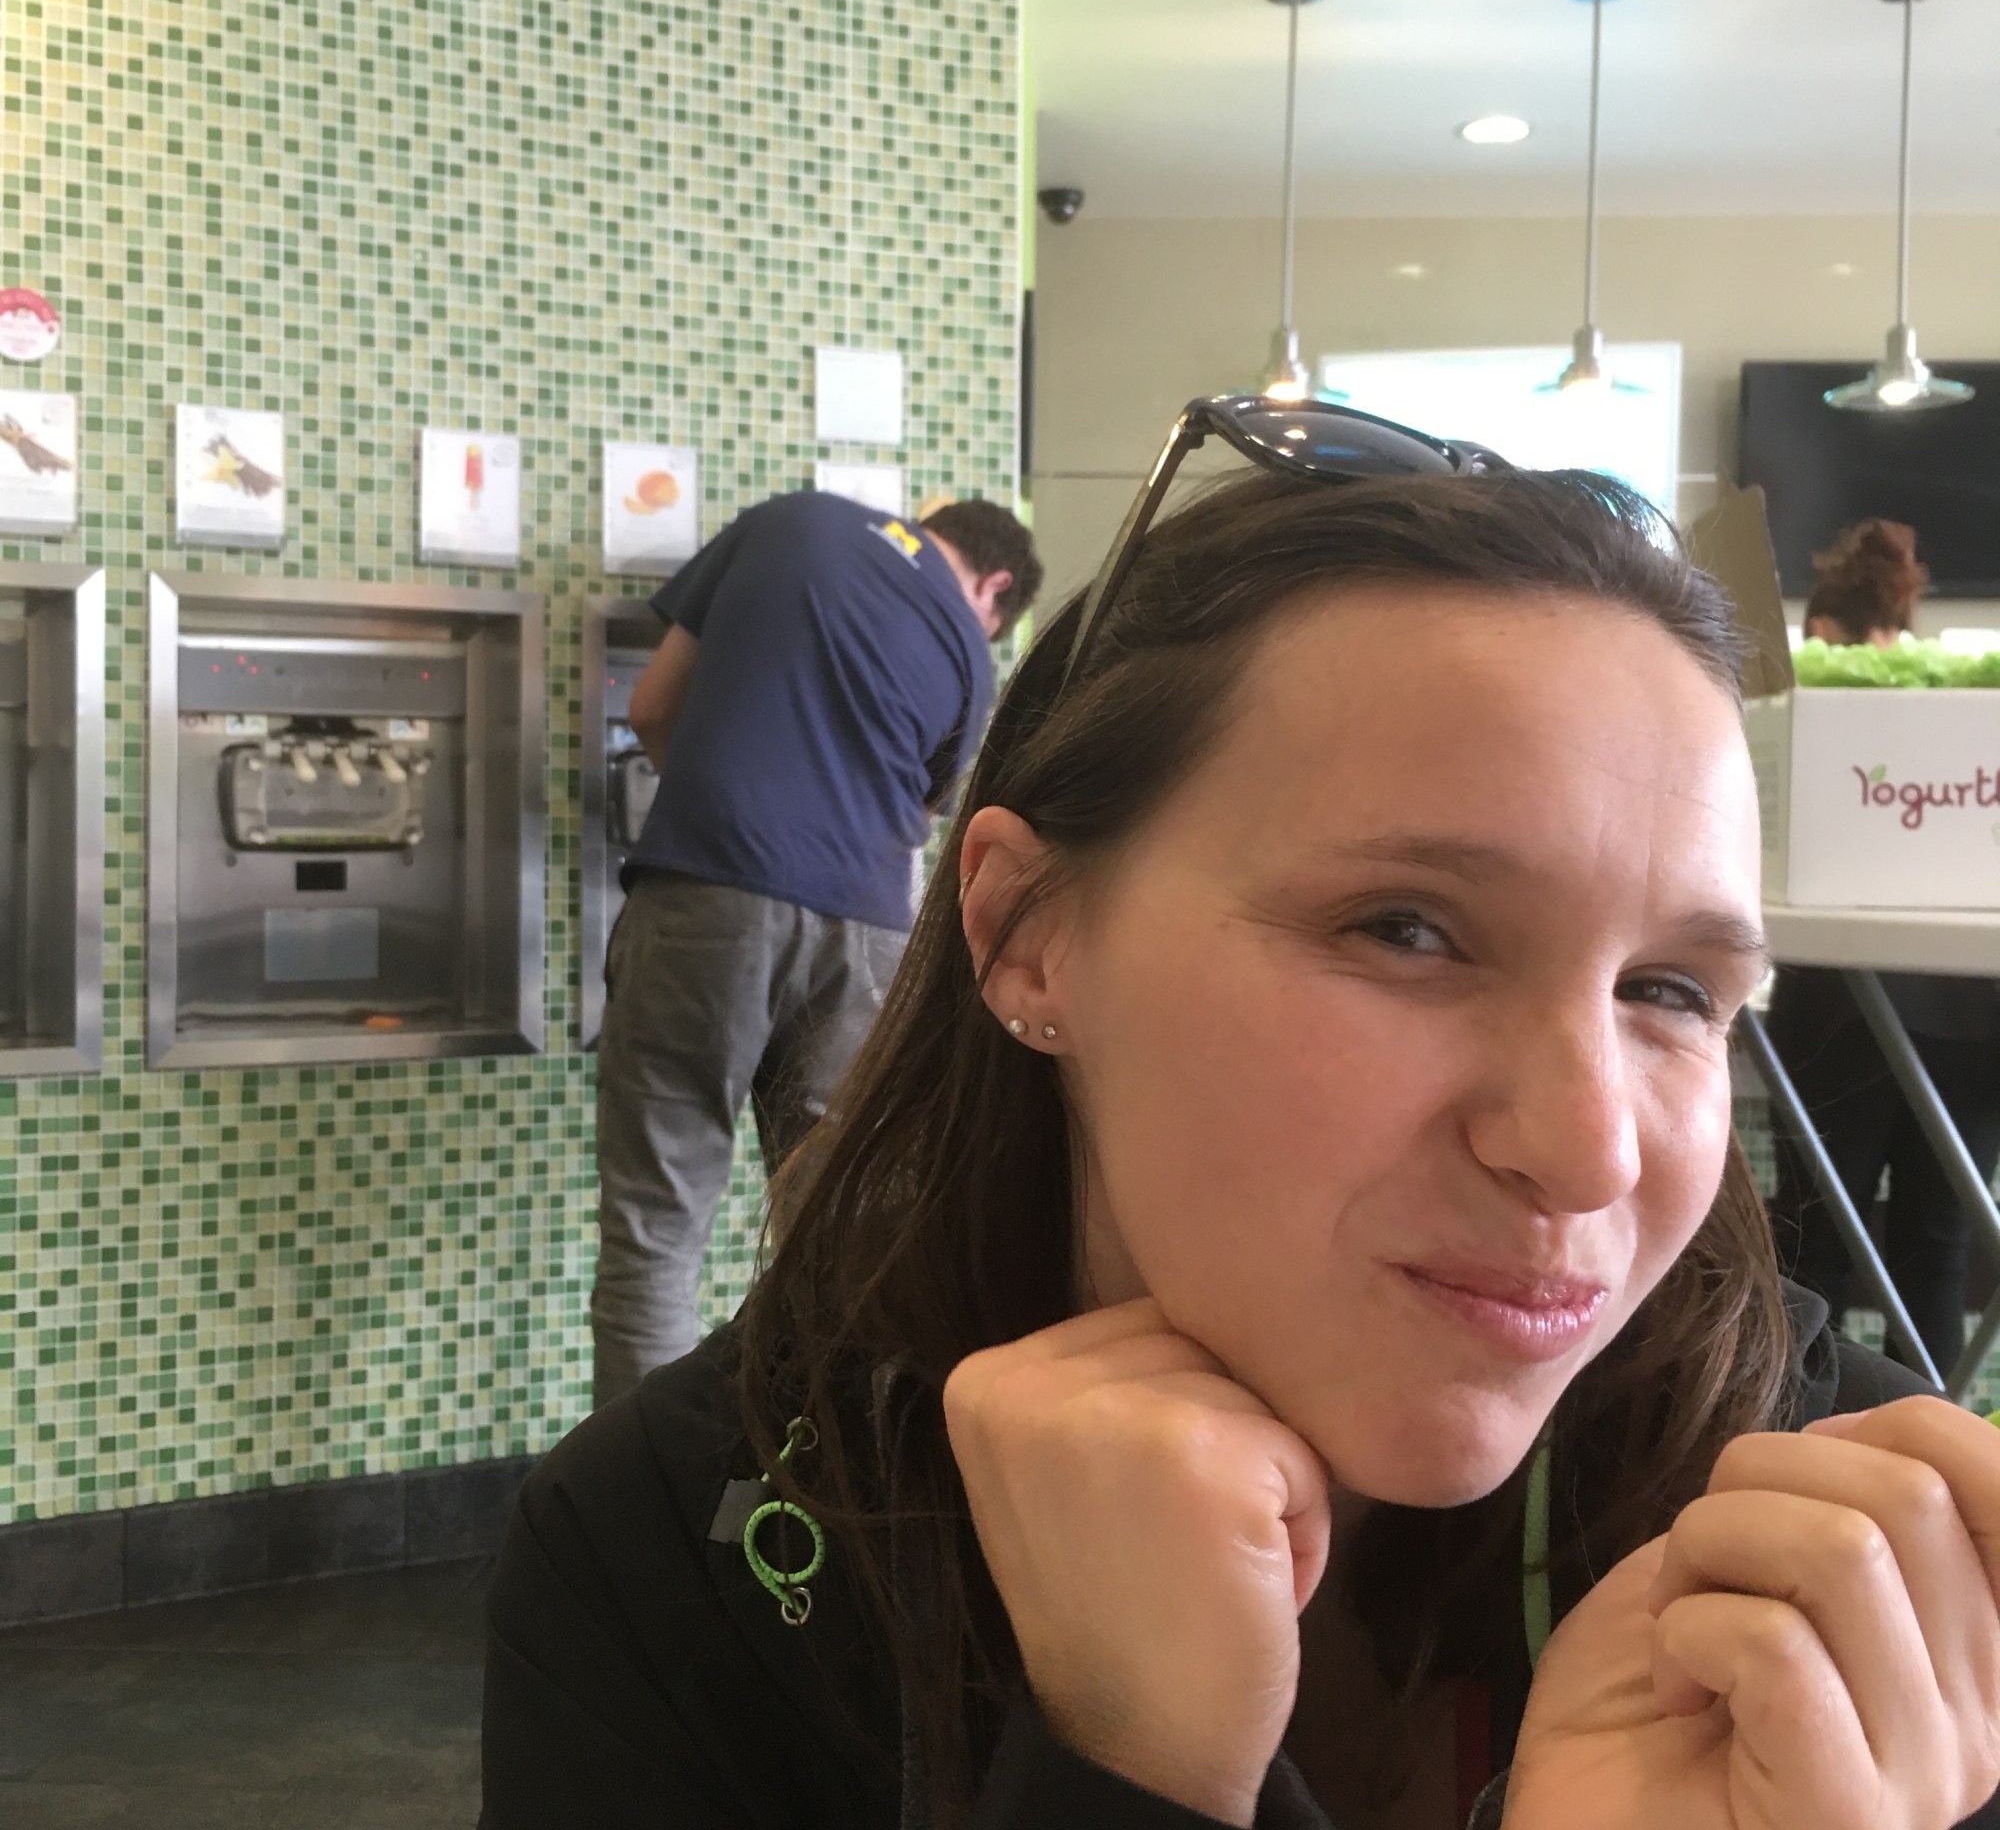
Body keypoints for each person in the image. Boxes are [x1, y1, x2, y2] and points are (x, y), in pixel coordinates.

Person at [488, 406, 2000, 1830]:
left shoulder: (1862, 1580)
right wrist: (1124, 1772)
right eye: (1406, 929)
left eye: (1670, 990)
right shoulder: (673, 1566)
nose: (1587, 1149)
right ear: (1027, 932)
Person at [592, 488, 1042, 1406]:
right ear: (994, 588)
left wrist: (730, 804)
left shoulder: (790, 522)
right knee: (837, 1237)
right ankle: (819, 1477)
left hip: (708, 896)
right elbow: (924, 822)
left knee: (656, 1229)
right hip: (866, 935)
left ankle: (631, 1488)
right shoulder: (969, 652)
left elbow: (650, 706)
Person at [1766, 517, 2000, 1377]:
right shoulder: (1965, 716)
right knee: (1937, 1245)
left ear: (1825, 632)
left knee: (1814, 1240)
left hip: (1837, 1013)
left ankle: (1792, 1417)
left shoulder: (1822, 721)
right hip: (1971, 1020)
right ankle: (1925, 1430)